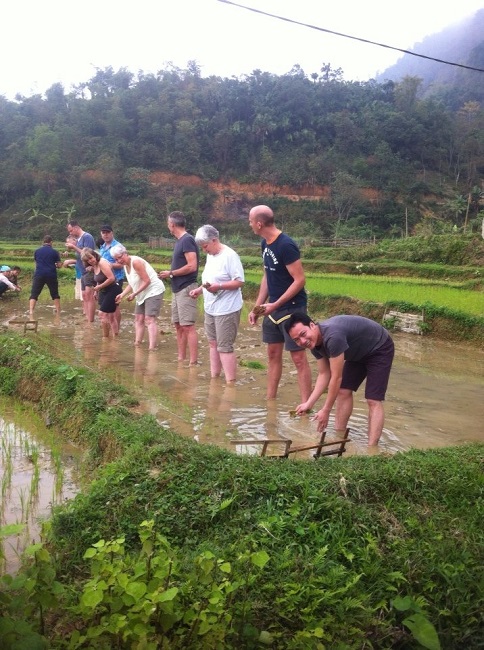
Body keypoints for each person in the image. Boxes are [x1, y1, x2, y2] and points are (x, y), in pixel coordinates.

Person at [285, 313, 395, 446]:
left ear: (312, 325)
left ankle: (372, 449)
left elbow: (336, 378)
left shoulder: (333, 337)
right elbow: (324, 374)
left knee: (373, 399)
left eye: (303, 334)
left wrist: (326, 410)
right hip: (357, 352)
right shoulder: (313, 344)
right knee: (343, 391)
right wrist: (308, 404)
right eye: (297, 340)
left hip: (379, 347)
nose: (302, 341)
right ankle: (339, 437)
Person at [247, 204, 311, 402]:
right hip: (272, 309)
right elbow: (267, 275)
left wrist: (275, 305)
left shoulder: (286, 245)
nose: (249, 225)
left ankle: (305, 406)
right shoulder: (265, 244)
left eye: (250, 222)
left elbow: (300, 280)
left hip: (292, 309)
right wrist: (258, 307)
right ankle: (270, 401)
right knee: (273, 355)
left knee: (298, 358)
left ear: (259, 224)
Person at [189, 225, 244, 383]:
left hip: (227, 308)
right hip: (211, 307)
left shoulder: (230, 256)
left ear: (214, 240)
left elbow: (239, 281)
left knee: (224, 347)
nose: (204, 250)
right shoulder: (210, 255)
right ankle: (215, 379)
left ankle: (230, 383)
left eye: (205, 246)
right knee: (213, 343)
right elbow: (210, 280)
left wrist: (219, 287)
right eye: (202, 247)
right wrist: (200, 289)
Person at [158, 211, 200, 365]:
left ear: (172, 224)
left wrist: (171, 273)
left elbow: (192, 265)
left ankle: (193, 362)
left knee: (188, 325)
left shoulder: (187, 240)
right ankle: (181, 359)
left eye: (168, 223)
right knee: (178, 325)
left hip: (186, 287)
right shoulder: (180, 241)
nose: (168, 226)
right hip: (177, 288)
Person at [112, 244, 165, 350]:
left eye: (120, 257)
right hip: (142, 293)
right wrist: (122, 294)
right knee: (138, 318)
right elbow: (132, 283)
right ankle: (137, 343)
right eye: (116, 259)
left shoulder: (135, 262)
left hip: (153, 290)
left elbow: (147, 281)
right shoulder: (125, 266)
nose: (119, 260)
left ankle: (152, 348)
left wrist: (134, 294)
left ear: (125, 253)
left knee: (149, 319)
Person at [80, 247, 122, 337]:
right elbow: (99, 278)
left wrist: (99, 287)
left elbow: (111, 278)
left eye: (91, 258)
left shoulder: (102, 263)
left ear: (95, 255)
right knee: (110, 316)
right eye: (88, 260)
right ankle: (115, 336)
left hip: (113, 288)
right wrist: (96, 292)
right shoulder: (95, 265)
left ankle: (105, 338)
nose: (90, 261)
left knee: (102, 314)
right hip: (104, 290)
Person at [66, 220, 96, 322]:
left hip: (88, 270)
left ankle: (90, 320)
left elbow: (88, 255)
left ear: (76, 228)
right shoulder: (79, 240)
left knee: (89, 294)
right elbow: (79, 255)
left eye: (70, 231)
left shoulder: (87, 237)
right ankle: (87, 317)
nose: (70, 233)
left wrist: (74, 247)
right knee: (84, 295)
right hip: (82, 271)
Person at [99, 224, 125, 329]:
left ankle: (116, 329)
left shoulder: (118, 247)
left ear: (112, 233)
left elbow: (122, 264)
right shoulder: (102, 247)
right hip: (104, 280)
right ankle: (111, 329)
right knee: (105, 307)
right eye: (103, 233)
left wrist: (110, 265)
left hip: (116, 279)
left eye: (107, 232)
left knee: (115, 306)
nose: (105, 235)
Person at [29, 235, 61, 316]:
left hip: (39, 274)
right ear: (51, 242)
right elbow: (59, 265)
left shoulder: (37, 251)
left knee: (34, 293)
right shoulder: (54, 252)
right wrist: (56, 265)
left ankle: (31, 311)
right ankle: (58, 310)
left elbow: (36, 264)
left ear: (43, 242)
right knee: (54, 293)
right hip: (51, 274)